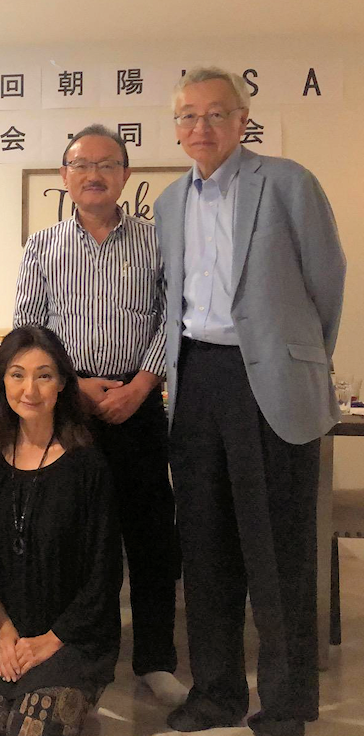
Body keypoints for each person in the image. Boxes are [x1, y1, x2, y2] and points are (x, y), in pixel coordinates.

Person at [154, 67, 346, 736]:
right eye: (187, 116)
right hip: (196, 379)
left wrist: (295, 360)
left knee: (280, 550)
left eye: (216, 114)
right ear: (176, 129)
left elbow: (327, 282)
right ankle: (217, 693)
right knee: (205, 548)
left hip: (269, 382)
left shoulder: (287, 183)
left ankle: (287, 703)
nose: (200, 127)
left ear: (242, 121)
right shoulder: (169, 203)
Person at [14, 124, 186, 706]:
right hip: (70, 412)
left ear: (125, 174)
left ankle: (155, 659)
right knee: (78, 539)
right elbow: (30, 331)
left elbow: (173, 318)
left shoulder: (156, 241)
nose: (93, 174)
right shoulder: (42, 246)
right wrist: (74, 386)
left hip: (139, 405)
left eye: (106, 164)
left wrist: (142, 384)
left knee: (151, 535)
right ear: (64, 175)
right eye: (81, 164)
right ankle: (82, 655)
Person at [0, 325, 122, 736]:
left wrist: (50, 640)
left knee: (31, 726)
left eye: (44, 375)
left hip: (74, 636)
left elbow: (104, 575)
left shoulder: (88, 466)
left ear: (62, 384)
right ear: (1, 382)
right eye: (17, 375)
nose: (30, 390)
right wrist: (3, 631)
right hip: (4, 629)